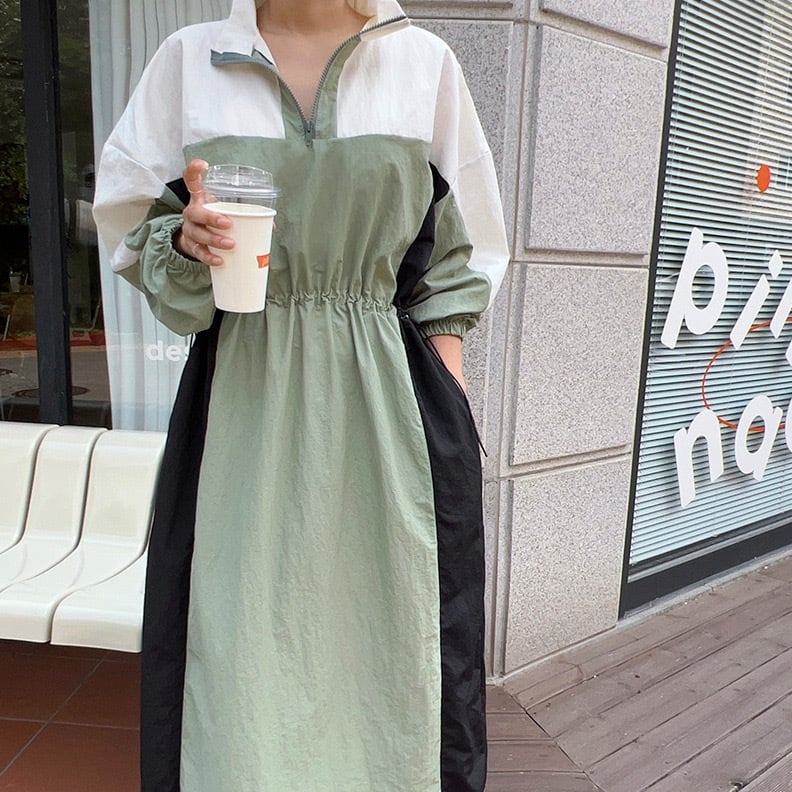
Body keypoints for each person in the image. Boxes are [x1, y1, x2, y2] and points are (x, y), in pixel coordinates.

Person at [93, 0, 509, 790]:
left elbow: (460, 255)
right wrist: (184, 241)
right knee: (237, 654)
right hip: (242, 407)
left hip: (391, 412)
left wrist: (449, 409)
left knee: (396, 647)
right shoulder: (189, 61)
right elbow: (132, 226)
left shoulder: (422, 64)